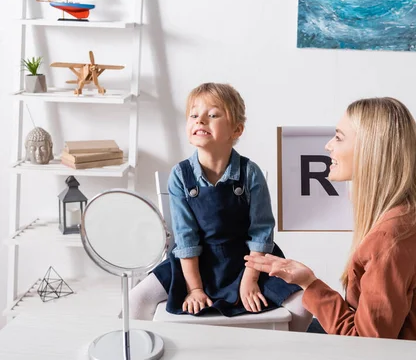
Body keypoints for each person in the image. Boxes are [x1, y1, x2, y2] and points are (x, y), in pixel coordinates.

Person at [245, 97, 416, 342]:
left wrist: (308, 283)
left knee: (276, 340)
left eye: (339, 137)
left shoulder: (391, 240)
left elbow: (364, 343)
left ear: (370, 150)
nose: (328, 146)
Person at [129, 83, 312, 332]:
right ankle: (143, 353)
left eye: (212, 115)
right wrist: (194, 288)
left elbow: (261, 232)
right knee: (137, 298)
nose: (200, 121)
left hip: (248, 261)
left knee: (303, 305)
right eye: (194, 116)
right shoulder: (181, 176)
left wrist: (250, 279)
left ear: (236, 129)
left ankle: (284, 358)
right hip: (193, 262)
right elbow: (185, 238)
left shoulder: (250, 173)